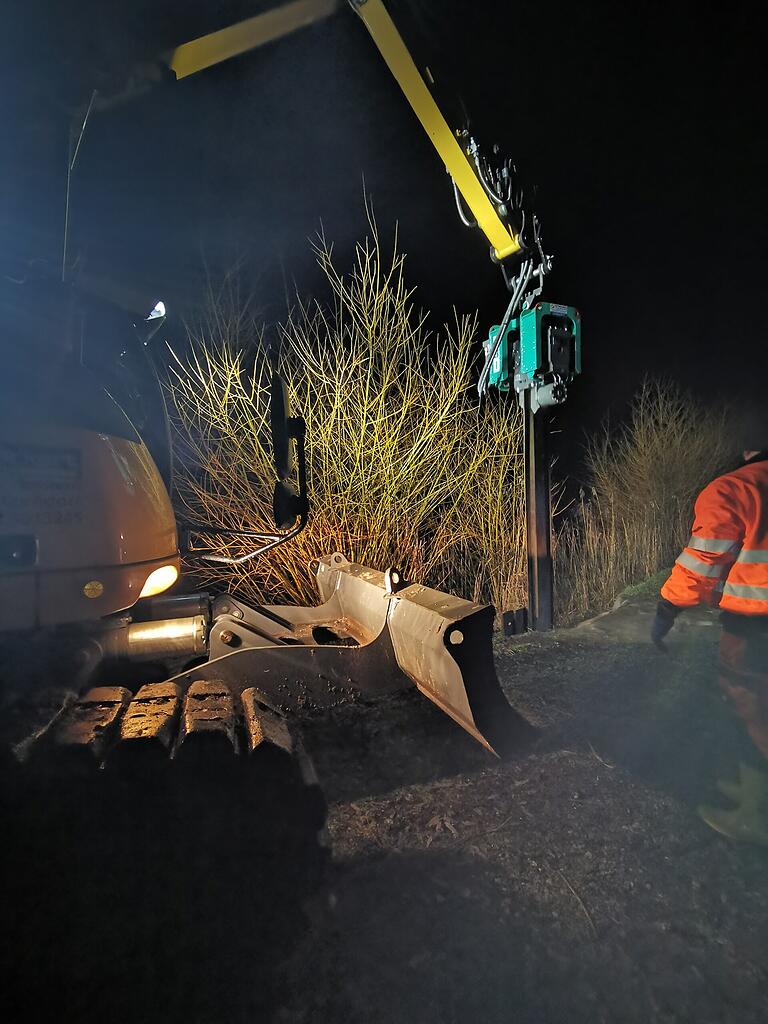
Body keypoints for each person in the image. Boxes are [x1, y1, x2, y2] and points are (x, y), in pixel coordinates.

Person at [651, 430, 768, 846]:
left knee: (750, 703)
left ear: (747, 450)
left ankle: (755, 814)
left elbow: (703, 560)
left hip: (755, 621)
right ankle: (755, 788)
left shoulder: (735, 488)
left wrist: (668, 607)